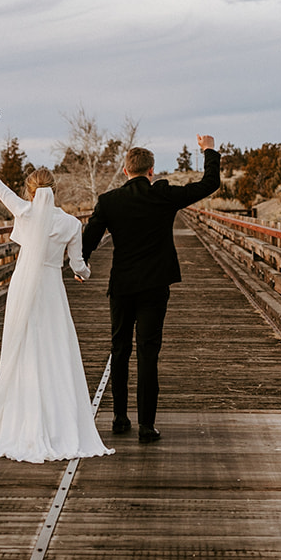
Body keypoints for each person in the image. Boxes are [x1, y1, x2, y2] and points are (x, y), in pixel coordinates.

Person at [0, 158, 114, 463]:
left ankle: (22, 420)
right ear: (55, 191)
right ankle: (59, 423)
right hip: (52, 287)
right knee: (55, 350)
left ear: (31, 192)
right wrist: (85, 273)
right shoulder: (71, 223)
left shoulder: (24, 211)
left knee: (24, 348)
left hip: (23, 287)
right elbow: (78, 265)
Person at [81, 135, 220, 443]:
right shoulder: (164, 196)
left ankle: (119, 418)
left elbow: (88, 239)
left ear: (124, 170)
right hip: (155, 286)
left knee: (119, 349)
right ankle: (146, 425)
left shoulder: (109, 201)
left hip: (122, 286)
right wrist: (208, 150)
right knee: (148, 352)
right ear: (151, 170)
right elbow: (209, 184)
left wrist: (81, 266)